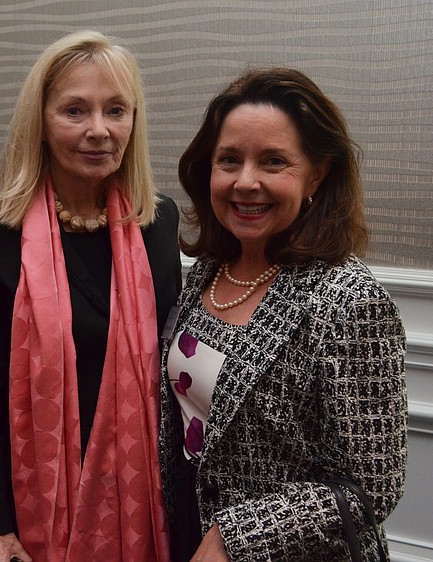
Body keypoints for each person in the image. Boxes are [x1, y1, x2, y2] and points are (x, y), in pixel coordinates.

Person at [160, 67, 407, 561]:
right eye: (229, 159)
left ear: (318, 173)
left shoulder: (348, 301)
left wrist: (238, 536)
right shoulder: (210, 268)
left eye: (273, 162)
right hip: (189, 530)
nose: (245, 182)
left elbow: (371, 487)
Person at [0, 30, 182, 562]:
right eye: (75, 111)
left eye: (116, 110)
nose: (99, 130)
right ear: (40, 122)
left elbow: (169, 372)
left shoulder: (158, 221)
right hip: (35, 494)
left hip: (145, 497)